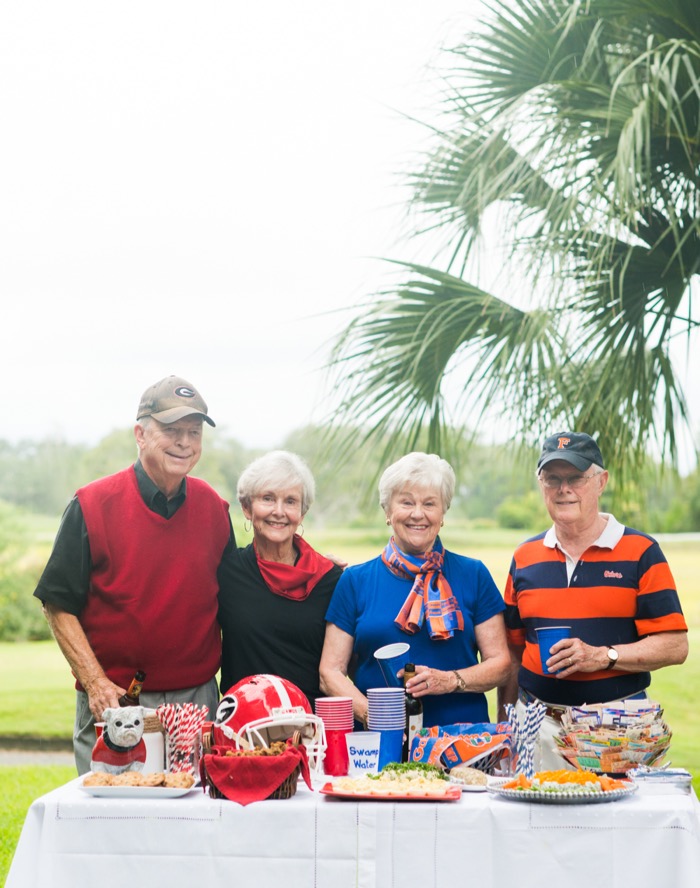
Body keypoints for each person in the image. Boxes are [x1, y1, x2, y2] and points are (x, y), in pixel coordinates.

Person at [34, 375, 233, 774]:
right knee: (109, 827)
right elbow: (58, 605)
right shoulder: (91, 505)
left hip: (197, 701)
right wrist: (94, 683)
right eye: (172, 430)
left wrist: (314, 564)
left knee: (196, 824)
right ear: (140, 434)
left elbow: (241, 591)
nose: (184, 442)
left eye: (193, 432)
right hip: (115, 703)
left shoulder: (214, 508)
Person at [498, 431, 688, 769]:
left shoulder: (642, 552)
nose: (564, 489)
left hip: (617, 731)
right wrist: (504, 728)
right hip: (535, 727)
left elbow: (675, 645)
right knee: (533, 823)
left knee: (618, 823)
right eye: (552, 478)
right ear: (541, 485)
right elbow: (513, 654)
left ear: (601, 482)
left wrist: (603, 656)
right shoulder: (524, 557)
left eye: (576, 478)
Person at [320, 452, 510, 728]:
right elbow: (330, 672)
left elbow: (501, 664)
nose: (418, 514)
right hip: (380, 742)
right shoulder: (354, 581)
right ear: (388, 511)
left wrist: (450, 681)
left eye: (429, 503)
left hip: (461, 741)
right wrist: (374, 715)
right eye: (406, 502)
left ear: (442, 513)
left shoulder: (474, 574)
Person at [217, 451, 342, 706]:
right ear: (246, 508)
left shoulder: (330, 579)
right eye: (267, 498)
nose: (279, 511)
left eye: (291, 501)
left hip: (311, 729)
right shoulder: (226, 573)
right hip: (243, 728)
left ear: (302, 513)